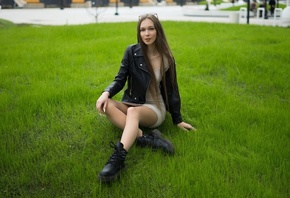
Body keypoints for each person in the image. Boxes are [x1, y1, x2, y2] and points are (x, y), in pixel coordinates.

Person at [96, 13, 195, 183]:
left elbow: (172, 90)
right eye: (142, 30)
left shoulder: (167, 58)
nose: (146, 33)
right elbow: (120, 79)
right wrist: (106, 93)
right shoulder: (131, 52)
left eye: (151, 29)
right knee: (108, 105)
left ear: (158, 31)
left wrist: (177, 120)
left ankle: (118, 160)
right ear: (139, 33)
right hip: (133, 102)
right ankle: (146, 138)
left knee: (133, 112)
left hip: (154, 108)